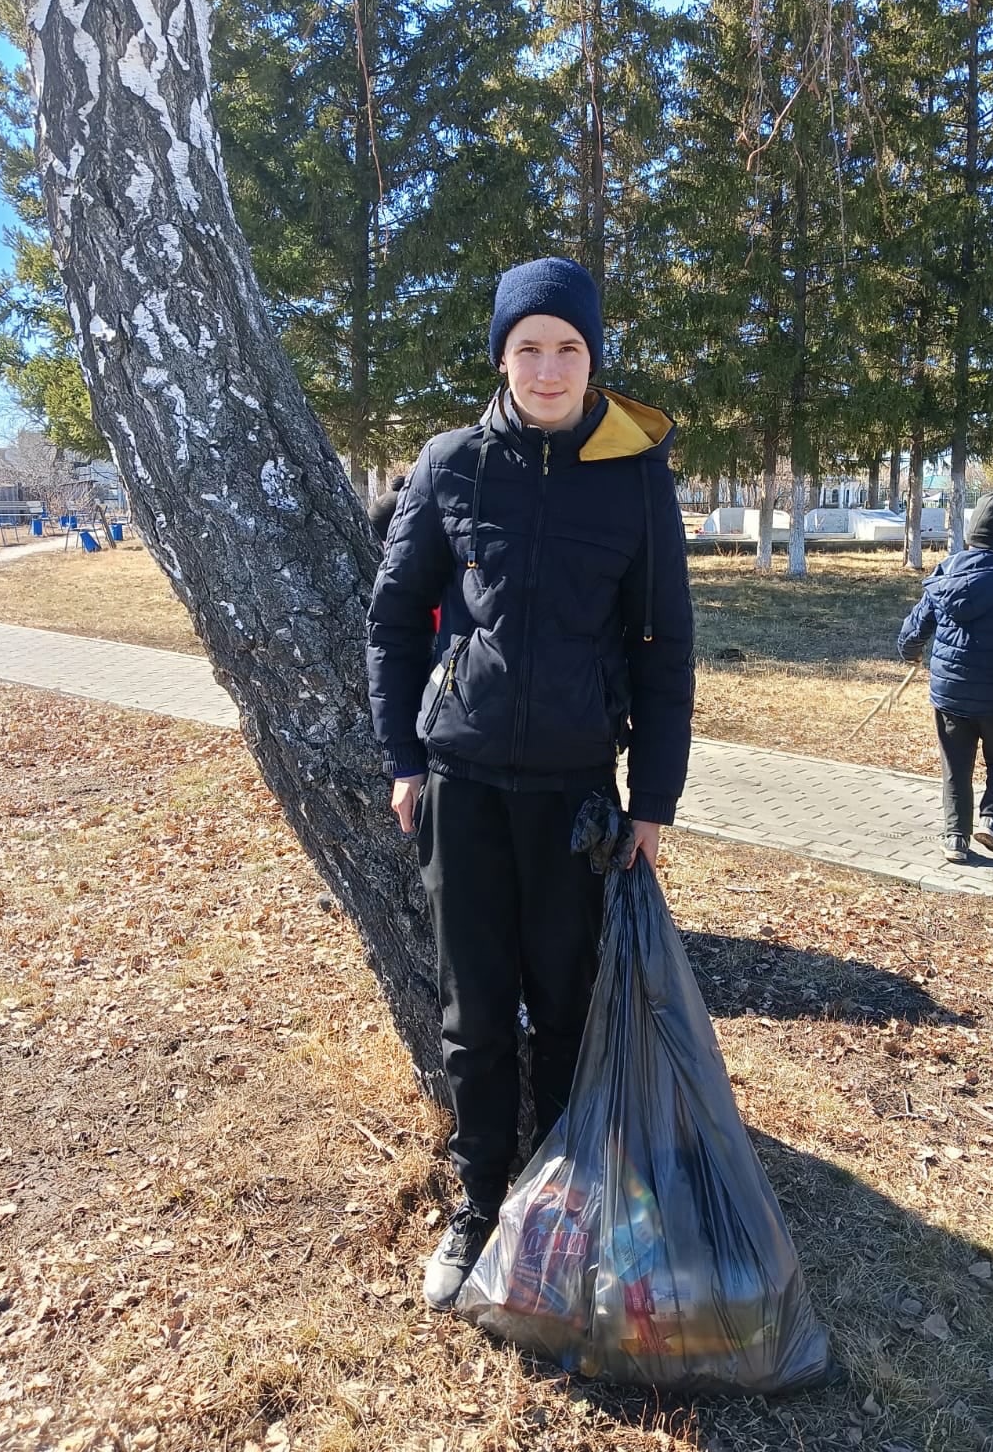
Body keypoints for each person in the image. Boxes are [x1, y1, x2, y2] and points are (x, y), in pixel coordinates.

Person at [366, 256, 694, 1310]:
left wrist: (653, 800)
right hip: (460, 783)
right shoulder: (451, 463)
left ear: (593, 358)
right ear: (501, 357)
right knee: (472, 1013)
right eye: (528, 349)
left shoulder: (637, 476)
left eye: (567, 348)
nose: (548, 369)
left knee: (563, 1010)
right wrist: (404, 758)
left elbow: (664, 648)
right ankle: (477, 1207)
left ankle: (559, 1213)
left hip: (574, 798)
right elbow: (390, 614)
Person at [896, 491, 993, 864]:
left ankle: (955, 838)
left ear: (972, 534)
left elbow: (915, 628)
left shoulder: (944, 575)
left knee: (956, 766)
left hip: (950, 697)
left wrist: (910, 653)